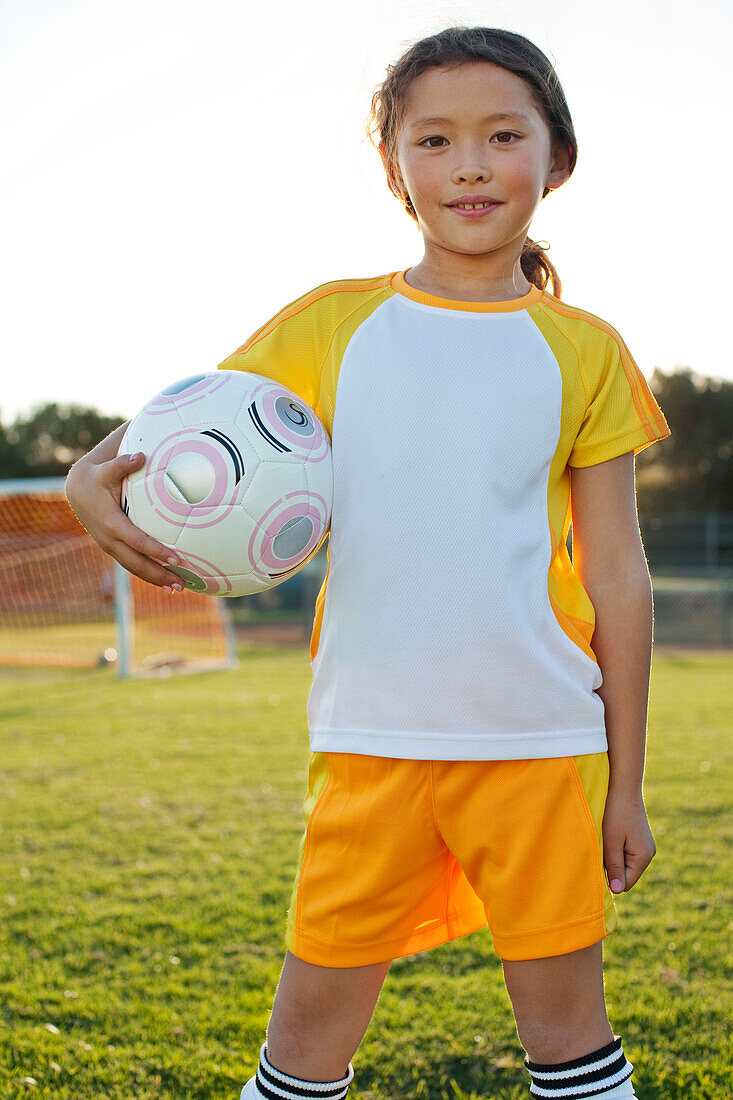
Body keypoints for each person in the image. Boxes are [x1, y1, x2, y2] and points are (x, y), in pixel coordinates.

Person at [65, 25, 672, 1100]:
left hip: (536, 737)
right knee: (304, 1039)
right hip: (369, 736)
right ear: (397, 171)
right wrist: (84, 479)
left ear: (555, 158)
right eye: (434, 141)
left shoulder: (586, 350)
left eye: (502, 135)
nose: (470, 165)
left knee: (569, 1035)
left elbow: (620, 574)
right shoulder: (328, 326)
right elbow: (175, 439)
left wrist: (625, 782)